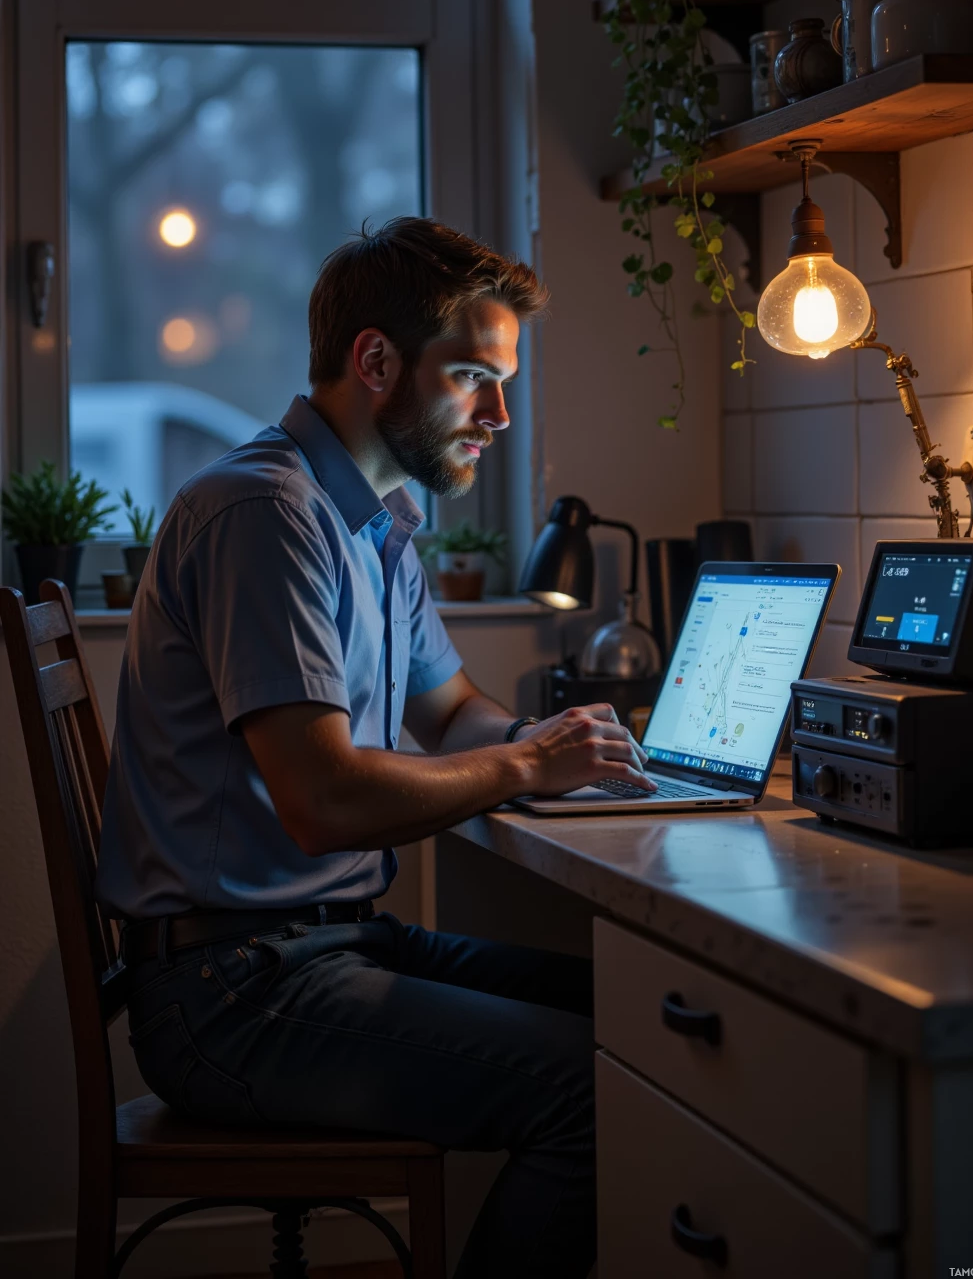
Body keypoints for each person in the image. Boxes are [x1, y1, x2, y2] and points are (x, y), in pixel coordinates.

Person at [97, 216, 654, 1279]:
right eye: (474, 379)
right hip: (233, 996)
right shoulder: (264, 513)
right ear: (375, 361)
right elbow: (325, 801)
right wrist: (529, 769)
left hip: (317, 950)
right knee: (594, 1082)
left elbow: (448, 712)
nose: (497, 414)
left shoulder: (372, 523)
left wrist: (550, 741)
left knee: (628, 1018)